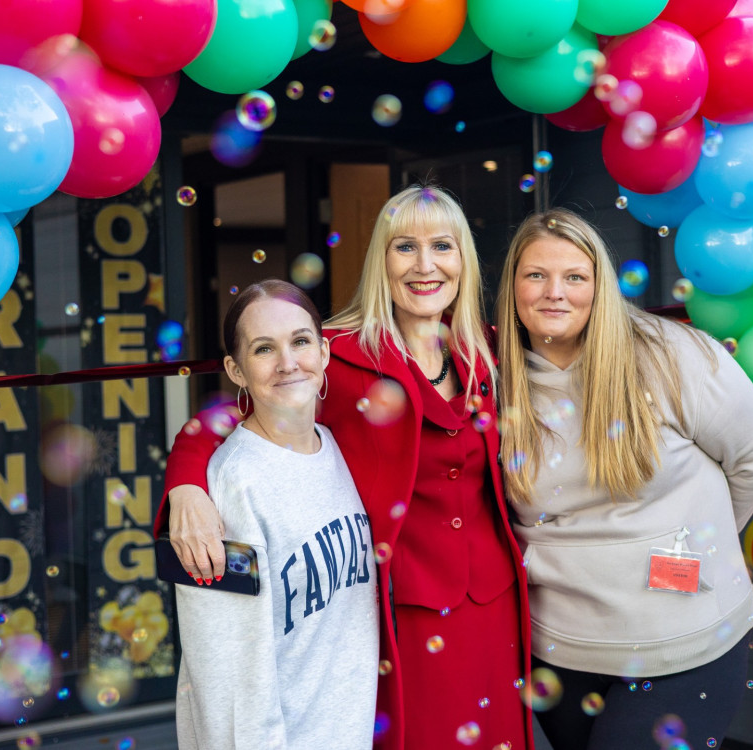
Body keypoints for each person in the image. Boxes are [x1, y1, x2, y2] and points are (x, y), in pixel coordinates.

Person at [155, 186, 534, 750]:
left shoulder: (490, 350)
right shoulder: (332, 352)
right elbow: (218, 420)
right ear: (382, 258)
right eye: (405, 247)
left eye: (442, 246)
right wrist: (185, 486)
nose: (425, 266)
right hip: (400, 614)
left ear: (465, 259)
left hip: (497, 604)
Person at [494, 209, 753, 750]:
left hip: (682, 648)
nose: (554, 292)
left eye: (575, 277)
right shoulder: (493, 380)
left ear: (600, 286)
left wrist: (696, 540)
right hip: (560, 652)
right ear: (512, 286)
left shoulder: (671, 355)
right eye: (536, 275)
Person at [172, 280, 378, 749]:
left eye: (300, 341)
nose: (288, 363)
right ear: (236, 370)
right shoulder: (230, 486)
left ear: (324, 353)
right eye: (264, 349)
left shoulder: (339, 450)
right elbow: (223, 673)